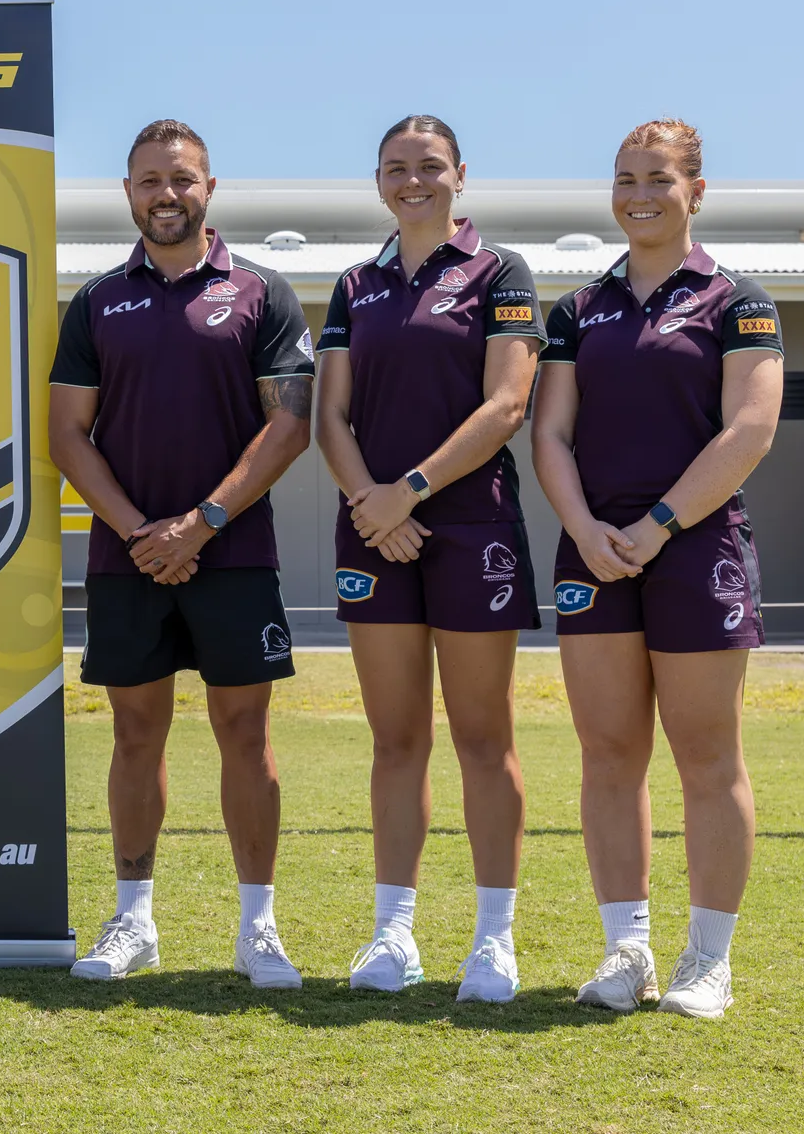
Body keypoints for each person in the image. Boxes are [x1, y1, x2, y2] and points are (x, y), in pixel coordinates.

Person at [50, 120, 315, 988]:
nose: (167, 194)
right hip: (128, 559)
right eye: (149, 181)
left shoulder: (261, 291)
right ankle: (133, 923)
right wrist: (142, 533)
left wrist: (199, 524)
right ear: (128, 192)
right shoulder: (96, 301)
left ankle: (258, 930)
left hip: (233, 555)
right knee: (135, 734)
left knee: (245, 733)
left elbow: (290, 425)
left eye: (182, 179)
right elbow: (68, 435)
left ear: (210, 188)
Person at [533, 119, 783, 1019]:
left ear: (695, 192)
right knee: (608, 754)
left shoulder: (737, 300)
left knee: (707, 756)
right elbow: (550, 433)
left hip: (697, 548)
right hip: (594, 551)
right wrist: (587, 529)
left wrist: (659, 524)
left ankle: (708, 961)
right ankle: (626, 951)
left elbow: (749, 430)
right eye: (625, 179)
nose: (638, 196)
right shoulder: (578, 308)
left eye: (658, 180)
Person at [313, 116, 544, 1002]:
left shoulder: (500, 271)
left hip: (471, 529)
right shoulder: (354, 284)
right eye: (396, 168)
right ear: (378, 181)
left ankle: (494, 941)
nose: (413, 181)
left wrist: (406, 491)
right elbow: (331, 417)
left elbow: (507, 405)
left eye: (430, 166)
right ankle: (393, 935)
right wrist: (372, 507)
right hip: (374, 530)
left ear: (460, 175)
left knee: (484, 739)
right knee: (396, 740)